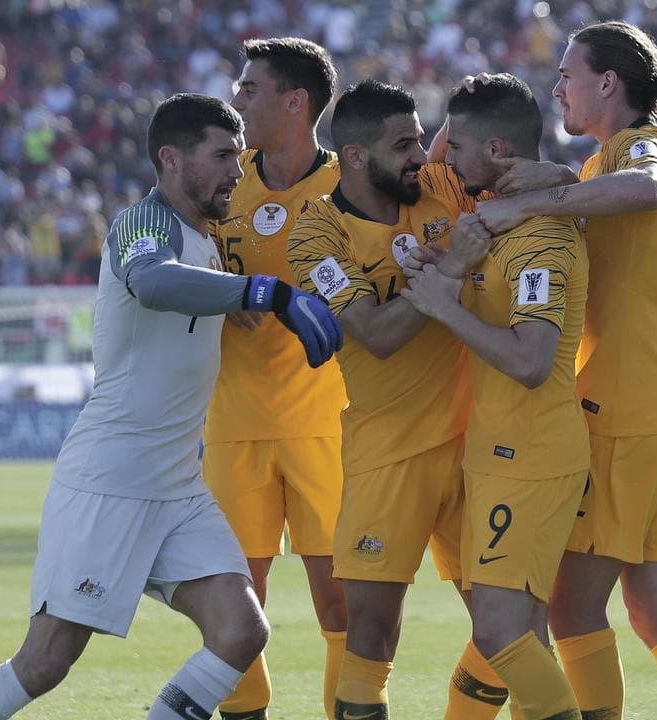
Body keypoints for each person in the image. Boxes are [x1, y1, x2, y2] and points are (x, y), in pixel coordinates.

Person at [0, 93, 343, 720]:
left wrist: (234, 295)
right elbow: (153, 281)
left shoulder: (206, 241)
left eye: (239, 157)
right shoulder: (142, 222)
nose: (236, 172)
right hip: (112, 479)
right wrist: (262, 292)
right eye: (222, 157)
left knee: (241, 631)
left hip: (178, 485)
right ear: (171, 159)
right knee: (46, 661)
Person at [474, 21, 657, 720]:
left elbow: (644, 189)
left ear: (608, 83)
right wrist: (562, 179)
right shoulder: (605, 165)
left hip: (623, 405)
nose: (557, 88)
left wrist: (529, 202)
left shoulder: (645, 147)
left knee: (570, 608)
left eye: (568, 75)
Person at [286, 79, 505, 720]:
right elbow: (377, 335)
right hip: (387, 453)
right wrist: (451, 268)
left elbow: (509, 161)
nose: (419, 156)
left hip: (476, 446)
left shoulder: (439, 188)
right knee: (371, 634)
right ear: (355, 156)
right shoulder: (317, 235)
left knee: (509, 631)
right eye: (402, 144)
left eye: (420, 139)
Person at [401, 73, 590, 720]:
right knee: (523, 633)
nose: (444, 158)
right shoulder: (497, 221)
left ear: (498, 151)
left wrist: (444, 307)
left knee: (499, 634)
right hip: (500, 450)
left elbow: (532, 363)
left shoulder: (541, 237)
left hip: (531, 455)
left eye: (456, 146)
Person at [201, 37, 348, 720]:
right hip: (234, 425)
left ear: (296, 102)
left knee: (340, 603)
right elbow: (174, 263)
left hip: (327, 424)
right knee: (235, 603)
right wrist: (218, 297)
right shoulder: (221, 180)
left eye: (250, 88)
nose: (237, 98)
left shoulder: (348, 186)